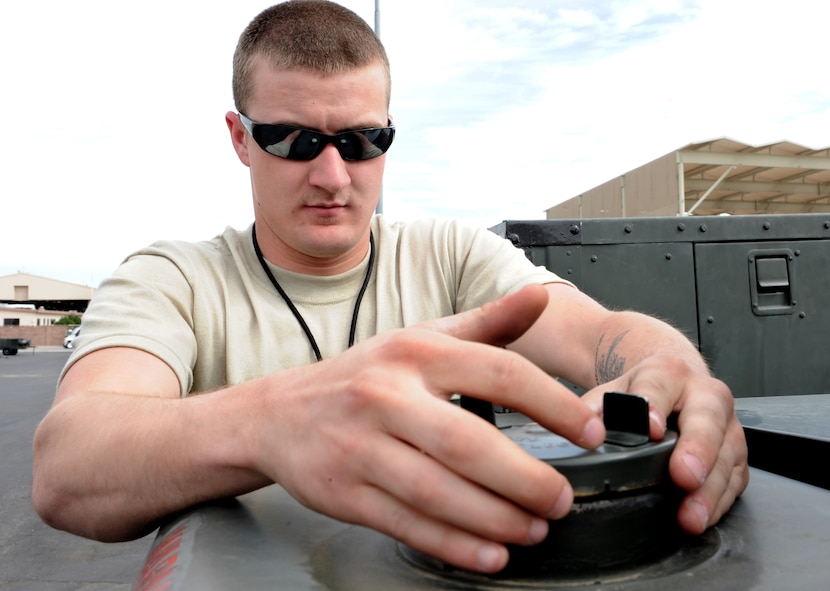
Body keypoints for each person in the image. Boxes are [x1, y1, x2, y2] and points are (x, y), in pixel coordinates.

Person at [32, 0, 748, 575]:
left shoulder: (452, 255)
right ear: (240, 137)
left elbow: (601, 335)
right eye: (295, 141)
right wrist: (273, 422)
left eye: (364, 141)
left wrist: (674, 373)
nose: (334, 175)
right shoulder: (176, 280)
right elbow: (69, 464)